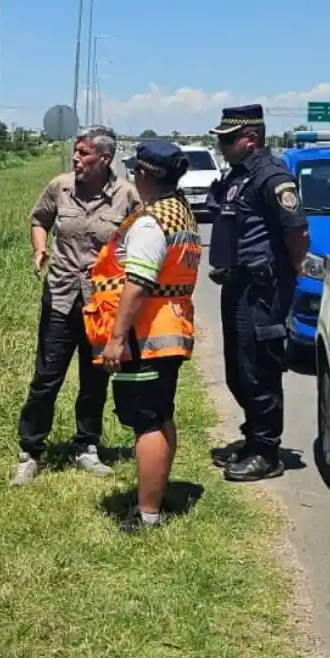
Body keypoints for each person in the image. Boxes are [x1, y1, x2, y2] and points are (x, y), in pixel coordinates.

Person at [11, 126, 141, 486]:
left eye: (83, 153)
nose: (75, 159)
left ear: (104, 158)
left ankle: (87, 447)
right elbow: (40, 218)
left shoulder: (127, 196)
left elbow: (143, 238)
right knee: (46, 379)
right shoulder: (60, 187)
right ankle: (30, 451)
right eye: (75, 152)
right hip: (61, 295)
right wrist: (39, 248)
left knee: (94, 378)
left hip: (102, 302)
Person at [83, 140, 200, 532]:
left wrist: (116, 339)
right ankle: (157, 496)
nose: (133, 176)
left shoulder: (151, 223)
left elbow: (136, 284)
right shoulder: (179, 212)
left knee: (146, 421)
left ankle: (147, 514)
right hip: (169, 329)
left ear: (146, 175)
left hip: (146, 335)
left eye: (136, 171)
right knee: (161, 414)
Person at [206, 104, 310, 482]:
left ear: (250, 138)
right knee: (238, 370)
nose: (222, 146)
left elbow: (296, 230)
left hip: (262, 288)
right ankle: (253, 440)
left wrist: (291, 274)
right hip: (236, 285)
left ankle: (267, 452)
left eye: (229, 139)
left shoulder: (272, 176)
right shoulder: (238, 176)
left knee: (259, 370)